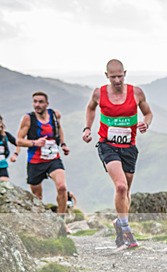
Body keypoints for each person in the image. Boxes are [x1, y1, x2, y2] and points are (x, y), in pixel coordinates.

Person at [83, 59, 154, 249]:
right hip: (107, 145)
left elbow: (148, 113)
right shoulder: (99, 93)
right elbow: (90, 107)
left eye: (120, 76)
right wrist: (87, 128)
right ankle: (126, 230)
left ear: (125, 73)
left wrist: (145, 124)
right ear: (106, 76)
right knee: (121, 187)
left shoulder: (136, 92)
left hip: (129, 147)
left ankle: (119, 223)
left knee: (126, 192)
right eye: (113, 76)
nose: (116, 80)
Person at [16, 92, 70, 214]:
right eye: (35, 102)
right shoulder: (28, 119)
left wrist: (63, 144)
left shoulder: (55, 115)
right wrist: (35, 143)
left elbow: (59, 129)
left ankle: (61, 221)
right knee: (37, 197)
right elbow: (19, 140)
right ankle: (42, 222)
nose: (37, 105)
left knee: (62, 187)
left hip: (53, 159)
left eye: (40, 102)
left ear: (47, 104)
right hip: (35, 162)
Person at [0, 115, 19, 181]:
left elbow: (18, 144)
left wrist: (15, 154)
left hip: (2, 166)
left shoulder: (5, 135)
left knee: (5, 185)